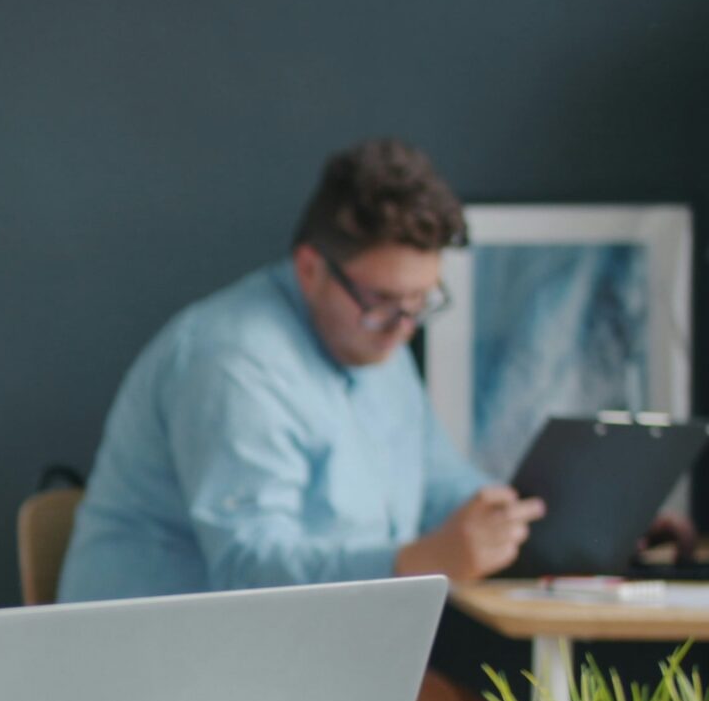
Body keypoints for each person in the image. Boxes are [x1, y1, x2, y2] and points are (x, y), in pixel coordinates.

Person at [58, 139, 543, 605]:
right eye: (382, 301)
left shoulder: (375, 343)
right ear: (311, 269)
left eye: (420, 301)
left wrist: (513, 518)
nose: (402, 329)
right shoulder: (233, 363)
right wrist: (415, 563)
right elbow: (250, 572)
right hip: (159, 665)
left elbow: (440, 485)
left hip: (306, 655)